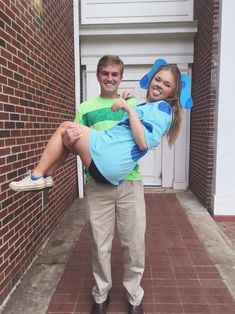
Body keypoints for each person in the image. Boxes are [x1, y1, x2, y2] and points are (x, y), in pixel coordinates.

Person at [9, 56, 192, 314]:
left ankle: (133, 297)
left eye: (115, 74)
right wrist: (76, 139)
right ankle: (100, 295)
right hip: (97, 182)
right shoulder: (87, 108)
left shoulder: (138, 105)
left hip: (130, 183)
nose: (110, 78)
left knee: (134, 244)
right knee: (100, 244)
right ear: (97, 76)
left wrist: (129, 106)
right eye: (105, 73)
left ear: (120, 77)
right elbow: (71, 144)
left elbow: (141, 135)